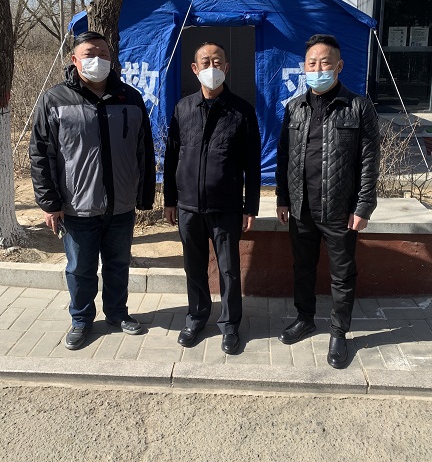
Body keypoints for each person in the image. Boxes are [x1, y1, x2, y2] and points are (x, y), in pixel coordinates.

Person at [29, 31, 155, 350]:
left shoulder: (130, 98)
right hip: (77, 207)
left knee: (118, 265)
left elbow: (144, 150)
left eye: (103, 54)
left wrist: (144, 196)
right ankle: (82, 319)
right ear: (74, 59)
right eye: (89, 54)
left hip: (121, 205)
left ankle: (117, 313)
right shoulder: (55, 99)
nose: (97, 60)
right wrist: (49, 202)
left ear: (111, 60)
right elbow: (41, 154)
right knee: (80, 269)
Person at [275, 34, 380, 369]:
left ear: (339, 66)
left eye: (325, 63)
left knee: (342, 274)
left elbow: (369, 160)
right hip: (301, 206)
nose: (318, 69)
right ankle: (305, 318)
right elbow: (284, 156)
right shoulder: (295, 107)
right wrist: (282, 197)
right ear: (304, 67)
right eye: (312, 63)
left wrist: (363, 206)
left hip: (339, 209)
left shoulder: (358, 107)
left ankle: (338, 332)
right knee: (302, 267)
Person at [164, 42, 261, 355]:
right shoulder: (183, 108)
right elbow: (171, 156)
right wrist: (169, 200)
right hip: (188, 206)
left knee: (229, 269)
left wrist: (250, 206)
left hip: (226, 206)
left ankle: (230, 325)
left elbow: (253, 165)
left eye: (217, 61)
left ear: (226, 67)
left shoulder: (242, 111)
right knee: (193, 267)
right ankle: (196, 317)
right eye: (205, 62)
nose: (211, 67)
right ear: (194, 69)